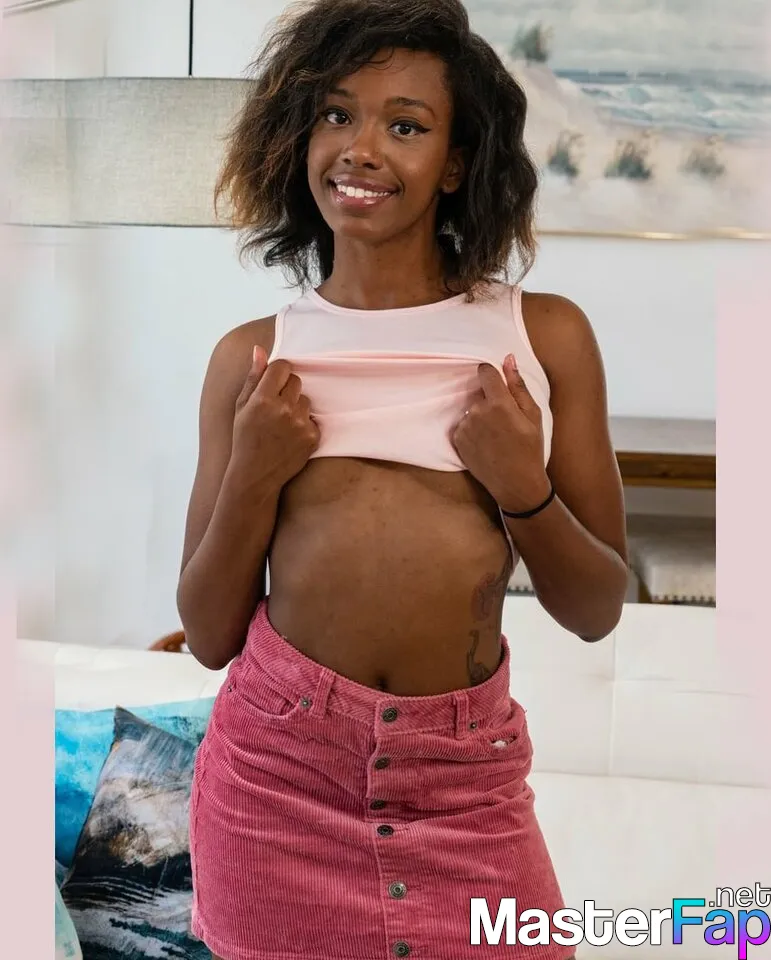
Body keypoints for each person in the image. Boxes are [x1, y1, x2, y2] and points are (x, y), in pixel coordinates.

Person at [177, 0, 628, 957]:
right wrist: (253, 473)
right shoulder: (251, 359)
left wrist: (522, 486)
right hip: (274, 786)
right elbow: (208, 636)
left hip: (464, 788)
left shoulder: (543, 338)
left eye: (406, 126)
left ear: (457, 164)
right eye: (335, 115)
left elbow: (595, 609)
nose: (361, 148)